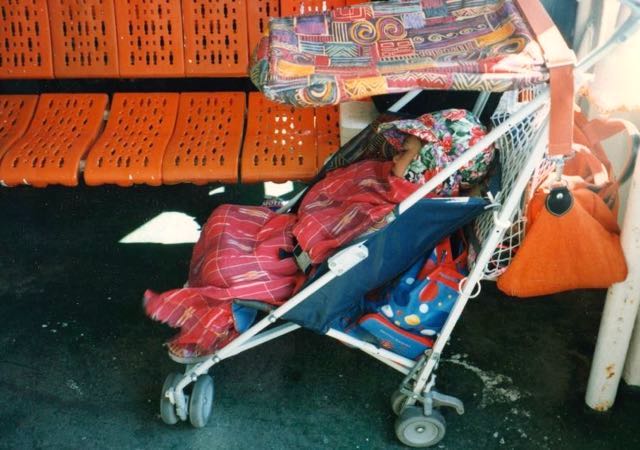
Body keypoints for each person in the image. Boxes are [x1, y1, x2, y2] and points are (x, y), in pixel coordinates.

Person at [144, 109, 493, 359]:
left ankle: (226, 318)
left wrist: (308, 224)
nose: (396, 154)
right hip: (291, 234)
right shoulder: (392, 181)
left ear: (428, 167)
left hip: (304, 268)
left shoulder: (405, 207)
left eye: (406, 152)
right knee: (224, 217)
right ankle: (228, 300)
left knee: (225, 264)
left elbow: (342, 238)